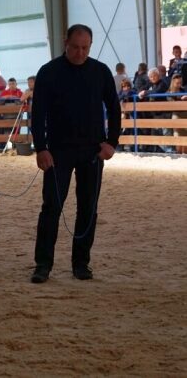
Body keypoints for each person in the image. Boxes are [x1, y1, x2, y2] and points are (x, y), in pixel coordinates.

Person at [30, 24, 121, 284]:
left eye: (85, 48)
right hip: (57, 153)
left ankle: (81, 264)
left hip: (93, 152)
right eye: (75, 47)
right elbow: (38, 115)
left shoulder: (100, 72)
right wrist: (40, 148)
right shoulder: (49, 72)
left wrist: (111, 142)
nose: (80, 53)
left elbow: (114, 109)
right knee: (51, 209)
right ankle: (43, 265)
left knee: (88, 209)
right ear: (65, 42)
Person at [167, 73, 187, 154]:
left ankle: (185, 155)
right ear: (173, 82)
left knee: (186, 136)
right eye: (177, 83)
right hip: (177, 115)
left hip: (185, 114)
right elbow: (172, 104)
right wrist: (182, 100)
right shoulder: (169, 92)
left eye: (180, 83)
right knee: (177, 135)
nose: (179, 85)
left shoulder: (183, 90)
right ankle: (178, 154)